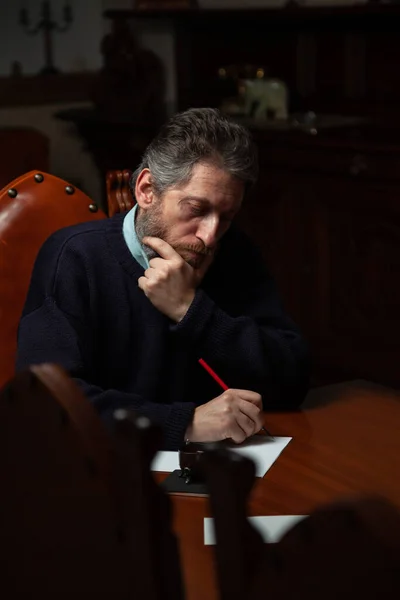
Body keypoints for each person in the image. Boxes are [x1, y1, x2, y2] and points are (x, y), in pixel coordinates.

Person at [16, 108, 310, 450]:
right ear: (146, 189)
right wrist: (185, 423)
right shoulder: (74, 257)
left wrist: (190, 310)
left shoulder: (234, 252)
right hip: (108, 476)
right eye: (197, 210)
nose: (210, 236)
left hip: (224, 468)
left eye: (226, 217)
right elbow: (45, 407)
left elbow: (292, 381)